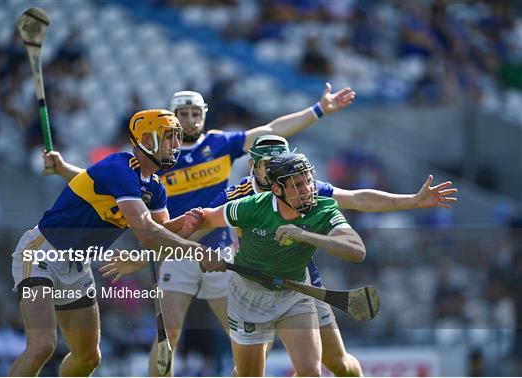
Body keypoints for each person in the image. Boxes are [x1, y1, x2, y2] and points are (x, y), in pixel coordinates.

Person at [101, 135, 459, 376]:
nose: (279, 167)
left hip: (298, 281)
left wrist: (412, 201)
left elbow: (358, 198)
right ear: (255, 168)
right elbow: (194, 227)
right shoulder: (238, 196)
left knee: (337, 364)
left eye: (283, 161)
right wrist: (146, 256)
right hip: (248, 284)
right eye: (269, 163)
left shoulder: (304, 187)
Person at [9, 109, 209, 376]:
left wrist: (188, 223)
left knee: (88, 357)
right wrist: (197, 251)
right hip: (41, 254)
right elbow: (148, 234)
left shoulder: (155, 188)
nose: (176, 145)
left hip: (77, 267)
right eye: (169, 137)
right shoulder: (120, 168)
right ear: (147, 141)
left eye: (177, 138)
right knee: (42, 346)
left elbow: (163, 232)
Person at [199, 152, 365, 376]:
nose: (307, 189)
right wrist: (195, 251)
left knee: (312, 371)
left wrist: (306, 236)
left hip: (294, 292)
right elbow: (201, 220)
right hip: (250, 296)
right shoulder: (250, 206)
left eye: (308, 180)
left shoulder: (323, 208)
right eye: (297, 184)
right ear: (276, 189)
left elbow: (357, 251)